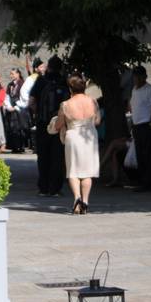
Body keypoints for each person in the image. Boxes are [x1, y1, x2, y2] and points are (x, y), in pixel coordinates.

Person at [47, 74, 100, 214]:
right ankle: (86, 201)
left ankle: (77, 198)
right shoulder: (93, 102)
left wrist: (58, 123)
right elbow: (98, 121)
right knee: (87, 172)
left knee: (74, 170)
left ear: (70, 88)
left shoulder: (65, 104)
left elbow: (58, 125)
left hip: (74, 136)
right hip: (89, 136)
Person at [29, 55, 68, 196]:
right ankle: (55, 188)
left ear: (49, 67)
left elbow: (32, 101)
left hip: (43, 123)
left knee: (43, 155)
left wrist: (37, 114)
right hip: (59, 123)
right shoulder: (63, 82)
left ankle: (43, 187)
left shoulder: (41, 81)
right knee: (57, 156)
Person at [128, 65, 151, 191]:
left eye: (138, 76)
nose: (136, 79)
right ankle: (142, 181)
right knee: (140, 155)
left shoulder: (150, 90)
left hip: (146, 125)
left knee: (148, 155)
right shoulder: (134, 90)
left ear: (144, 77)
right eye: (135, 76)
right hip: (136, 125)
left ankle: (148, 183)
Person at [3, 68, 27, 152]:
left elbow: (24, 97)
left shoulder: (22, 84)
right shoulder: (10, 85)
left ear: (18, 74)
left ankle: (21, 146)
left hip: (19, 108)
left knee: (19, 128)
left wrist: (16, 107)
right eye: (10, 74)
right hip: (11, 108)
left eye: (12, 74)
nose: (11, 75)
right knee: (12, 128)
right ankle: (14, 146)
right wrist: (9, 106)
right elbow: (7, 96)